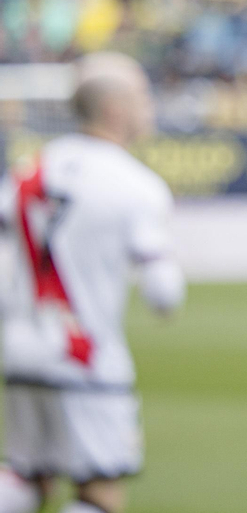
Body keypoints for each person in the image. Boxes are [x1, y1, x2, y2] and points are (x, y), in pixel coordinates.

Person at [0, 53, 186, 513]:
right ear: (115, 108)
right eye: (142, 96)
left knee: (27, 476)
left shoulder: (30, 171)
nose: (150, 107)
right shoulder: (137, 186)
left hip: (19, 348)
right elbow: (164, 293)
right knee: (101, 494)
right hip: (85, 354)